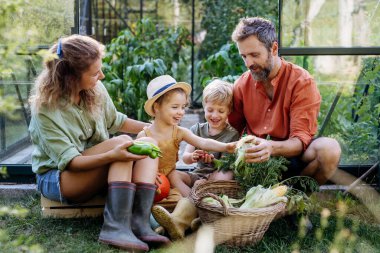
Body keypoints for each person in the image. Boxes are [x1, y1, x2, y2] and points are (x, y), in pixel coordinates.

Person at [28, 35, 169, 252]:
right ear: (71, 77)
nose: (101, 76)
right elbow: (72, 162)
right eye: (95, 73)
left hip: (93, 166)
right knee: (121, 144)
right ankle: (114, 227)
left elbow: (117, 121)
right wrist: (113, 156)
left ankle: (138, 224)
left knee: (147, 140)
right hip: (58, 177)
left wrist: (158, 128)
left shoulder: (95, 90)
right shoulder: (46, 110)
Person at [228, 17, 341, 185]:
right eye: (244, 56)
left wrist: (270, 147)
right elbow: (232, 130)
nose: (249, 63)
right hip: (257, 163)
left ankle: (296, 201)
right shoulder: (241, 85)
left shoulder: (301, 82)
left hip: (294, 158)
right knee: (220, 176)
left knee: (330, 150)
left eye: (254, 55)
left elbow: (300, 141)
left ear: (274, 49)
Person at [137, 75, 236, 240]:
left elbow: (203, 142)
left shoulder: (179, 131)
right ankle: (181, 217)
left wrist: (225, 147)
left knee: (178, 183)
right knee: (171, 180)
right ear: (156, 108)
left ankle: (186, 213)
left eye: (183, 107)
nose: (181, 112)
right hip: (153, 180)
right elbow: (136, 160)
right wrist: (146, 174)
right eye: (175, 107)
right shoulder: (145, 134)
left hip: (173, 178)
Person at [178, 79, 240, 196]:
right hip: (197, 175)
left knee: (227, 174)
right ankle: (192, 199)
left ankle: (201, 193)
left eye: (221, 111)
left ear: (229, 111)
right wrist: (193, 156)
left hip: (216, 176)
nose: (215, 115)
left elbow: (226, 164)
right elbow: (185, 158)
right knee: (173, 175)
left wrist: (213, 160)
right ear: (204, 107)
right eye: (210, 110)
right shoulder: (196, 130)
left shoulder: (232, 134)